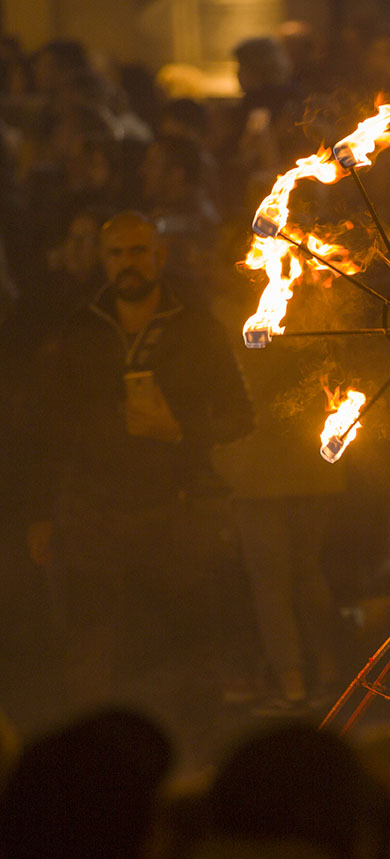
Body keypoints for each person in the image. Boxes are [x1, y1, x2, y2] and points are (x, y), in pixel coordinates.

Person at [25, 211, 255, 738]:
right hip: (95, 512)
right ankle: (93, 764)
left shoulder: (196, 327)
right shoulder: (81, 328)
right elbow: (48, 427)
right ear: (103, 261)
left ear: (159, 255)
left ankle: (192, 755)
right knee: (93, 645)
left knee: (189, 640)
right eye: (116, 254)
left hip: (175, 506)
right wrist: (40, 513)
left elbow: (240, 414)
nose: (127, 264)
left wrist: (183, 428)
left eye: (137, 252)